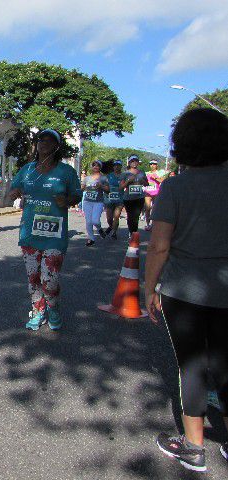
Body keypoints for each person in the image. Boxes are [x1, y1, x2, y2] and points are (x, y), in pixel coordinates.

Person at [145, 108, 228, 473]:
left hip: (184, 291)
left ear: (182, 146)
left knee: (192, 366)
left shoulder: (176, 187)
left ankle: (194, 446)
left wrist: (149, 288)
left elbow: (159, 246)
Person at [8, 129, 81, 330]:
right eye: (41, 139)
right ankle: (38, 310)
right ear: (36, 144)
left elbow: (77, 195)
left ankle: (53, 307)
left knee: (50, 279)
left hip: (54, 236)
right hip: (30, 233)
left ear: (57, 146)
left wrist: (67, 200)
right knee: (33, 278)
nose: (44, 143)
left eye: (50, 141)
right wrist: (14, 193)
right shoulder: (27, 170)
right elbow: (12, 190)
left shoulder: (66, 172)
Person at [81, 160, 109, 246]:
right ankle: (91, 239)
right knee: (89, 221)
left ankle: (99, 229)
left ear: (100, 167)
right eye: (94, 165)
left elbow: (108, 190)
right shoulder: (87, 178)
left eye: (97, 165)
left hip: (98, 202)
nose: (95, 167)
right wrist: (83, 187)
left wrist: (101, 186)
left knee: (95, 221)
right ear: (92, 167)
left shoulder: (103, 178)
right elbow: (81, 188)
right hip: (87, 201)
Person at [119, 154, 148, 236]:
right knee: (130, 216)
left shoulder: (142, 172)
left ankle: (133, 233)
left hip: (139, 198)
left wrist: (143, 181)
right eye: (132, 161)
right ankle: (132, 232)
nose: (134, 163)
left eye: (136, 161)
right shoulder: (125, 174)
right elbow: (121, 187)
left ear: (138, 162)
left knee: (136, 217)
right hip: (128, 198)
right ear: (129, 163)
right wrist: (128, 181)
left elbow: (146, 184)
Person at [144, 159, 166, 231]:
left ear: (156, 165)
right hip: (148, 192)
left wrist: (155, 178)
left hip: (156, 192)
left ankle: (153, 225)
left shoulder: (160, 173)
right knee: (147, 208)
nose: (152, 165)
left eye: (154, 164)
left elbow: (163, 180)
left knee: (155, 209)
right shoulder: (146, 173)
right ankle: (147, 224)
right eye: (151, 164)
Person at [103, 160, 124, 240]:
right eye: (115, 165)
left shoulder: (123, 176)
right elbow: (105, 186)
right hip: (109, 199)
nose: (116, 167)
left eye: (118, 165)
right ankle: (111, 227)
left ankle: (114, 232)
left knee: (116, 216)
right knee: (109, 218)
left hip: (119, 199)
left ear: (121, 166)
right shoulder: (108, 176)